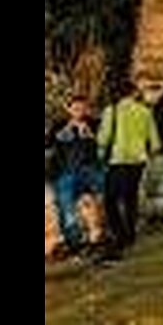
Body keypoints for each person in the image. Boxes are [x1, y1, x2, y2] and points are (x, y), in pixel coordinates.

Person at [97, 80, 162, 262]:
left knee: (110, 201)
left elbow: (103, 139)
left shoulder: (112, 111)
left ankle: (121, 235)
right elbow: (155, 142)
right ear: (132, 93)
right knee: (130, 197)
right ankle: (130, 233)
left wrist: (99, 154)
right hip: (138, 161)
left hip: (117, 160)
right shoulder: (145, 111)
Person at [46, 95, 102, 258]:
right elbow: (49, 144)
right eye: (76, 108)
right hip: (65, 173)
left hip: (88, 171)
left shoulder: (93, 123)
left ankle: (94, 241)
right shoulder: (59, 125)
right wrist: (66, 131)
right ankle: (73, 243)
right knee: (66, 208)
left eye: (82, 108)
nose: (79, 112)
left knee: (92, 203)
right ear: (68, 109)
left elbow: (102, 143)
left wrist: (89, 134)